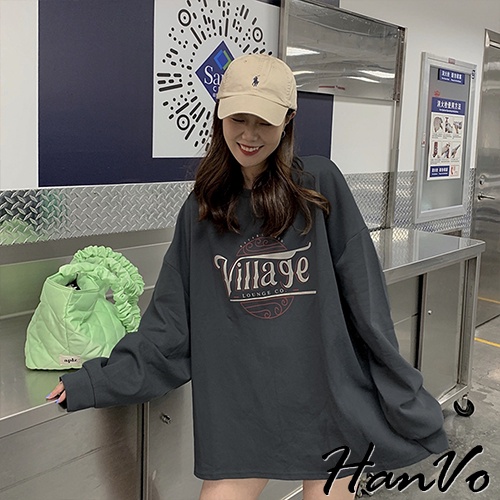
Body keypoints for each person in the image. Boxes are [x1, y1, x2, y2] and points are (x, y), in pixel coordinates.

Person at [48, 54, 449, 499]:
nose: (249, 135)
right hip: (241, 406)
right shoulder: (202, 210)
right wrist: (95, 380)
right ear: (219, 114)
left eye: (264, 122)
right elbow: (170, 324)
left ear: (288, 120)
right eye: (238, 118)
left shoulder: (319, 186)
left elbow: (366, 298)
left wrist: (400, 392)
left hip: (328, 395)